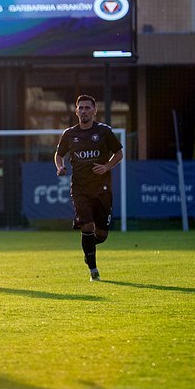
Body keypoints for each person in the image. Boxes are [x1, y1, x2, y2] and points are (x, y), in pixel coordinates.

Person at [54, 95, 123, 281]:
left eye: (87, 107)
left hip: (102, 188)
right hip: (80, 189)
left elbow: (119, 153)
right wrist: (60, 167)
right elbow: (58, 155)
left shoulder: (104, 131)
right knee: (87, 225)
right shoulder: (69, 134)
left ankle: (89, 249)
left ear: (94, 110)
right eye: (81, 108)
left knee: (101, 234)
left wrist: (106, 167)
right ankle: (93, 270)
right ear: (76, 111)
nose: (84, 111)